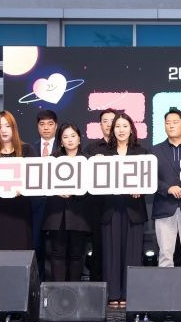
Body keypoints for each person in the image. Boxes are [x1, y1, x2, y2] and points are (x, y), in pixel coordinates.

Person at [94, 113, 148, 305]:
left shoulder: (142, 153)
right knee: (111, 253)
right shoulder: (102, 153)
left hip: (133, 209)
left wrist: (141, 188)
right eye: (117, 126)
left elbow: (149, 180)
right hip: (110, 209)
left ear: (131, 129)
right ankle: (113, 294)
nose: (121, 130)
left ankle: (129, 294)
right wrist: (96, 163)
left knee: (132, 254)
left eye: (125, 126)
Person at [151, 108, 181, 267]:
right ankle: (165, 284)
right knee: (165, 254)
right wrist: (167, 188)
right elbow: (149, 178)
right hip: (164, 206)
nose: (171, 125)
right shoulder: (154, 150)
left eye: (175, 122)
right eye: (167, 123)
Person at [42, 123, 90, 282]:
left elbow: (93, 188)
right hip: (57, 214)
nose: (70, 140)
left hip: (79, 213)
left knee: (77, 254)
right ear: (61, 141)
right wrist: (56, 190)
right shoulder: (52, 159)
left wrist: (77, 191)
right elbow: (43, 185)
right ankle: (58, 291)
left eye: (73, 136)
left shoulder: (87, 160)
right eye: (65, 137)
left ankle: (74, 291)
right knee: (57, 253)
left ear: (79, 139)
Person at [0, 111, 36, 251]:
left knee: (21, 247)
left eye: (7, 126)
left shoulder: (27, 150)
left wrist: (24, 188)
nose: (4, 130)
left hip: (20, 208)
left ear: (14, 128)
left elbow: (34, 176)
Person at [84, 108, 118, 280]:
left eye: (112, 121)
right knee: (98, 247)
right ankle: (97, 287)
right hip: (98, 206)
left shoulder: (127, 147)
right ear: (100, 124)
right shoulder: (91, 149)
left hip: (120, 206)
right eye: (105, 121)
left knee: (118, 248)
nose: (109, 124)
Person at [30, 110, 57, 281]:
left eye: (50, 124)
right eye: (42, 124)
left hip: (58, 203)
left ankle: (56, 284)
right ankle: (37, 284)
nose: (46, 128)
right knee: (36, 245)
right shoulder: (29, 149)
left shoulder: (64, 148)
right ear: (37, 126)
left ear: (56, 125)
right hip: (35, 204)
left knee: (57, 247)